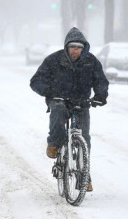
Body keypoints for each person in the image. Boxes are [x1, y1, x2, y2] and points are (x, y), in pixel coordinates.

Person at [30, 27, 109, 191]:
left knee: (85, 138)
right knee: (58, 112)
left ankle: (84, 176)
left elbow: (101, 81)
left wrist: (100, 96)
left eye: (79, 48)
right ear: (67, 47)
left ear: (83, 48)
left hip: (82, 102)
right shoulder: (54, 60)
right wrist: (48, 92)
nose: (76, 50)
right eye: (73, 47)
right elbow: (36, 80)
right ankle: (54, 144)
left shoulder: (91, 61)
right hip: (59, 99)